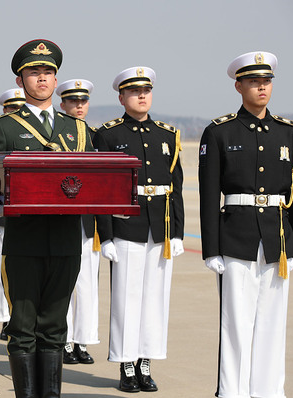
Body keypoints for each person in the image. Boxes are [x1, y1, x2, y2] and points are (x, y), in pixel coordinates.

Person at [0, 39, 94, 398]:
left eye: (48, 73)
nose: (42, 79)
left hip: (67, 239)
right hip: (23, 240)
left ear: (56, 81)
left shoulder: (79, 129)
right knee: (23, 326)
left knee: (55, 326)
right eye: (34, 73)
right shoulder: (5, 127)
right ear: (21, 79)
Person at [199, 51, 293, 398]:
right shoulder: (219, 132)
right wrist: (211, 249)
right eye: (254, 82)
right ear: (238, 85)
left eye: (267, 81)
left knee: (273, 326)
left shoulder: (290, 134)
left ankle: (270, 392)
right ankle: (232, 392)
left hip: (277, 241)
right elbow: (208, 195)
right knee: (236, 326)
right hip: (236, 239)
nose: (262, 87)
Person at [93, 67, 184, 392]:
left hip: (159, 229)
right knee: (126, 301)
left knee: (155, 300)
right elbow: (101, 190)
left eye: (146, 90)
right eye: (134, 91)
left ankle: (147, 360)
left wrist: (177, 233)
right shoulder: (108, 135)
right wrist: (105, 236)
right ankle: (126, 364)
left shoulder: (167, 135)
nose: (141, 95)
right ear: (121, 97)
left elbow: (176, 186)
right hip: (126, 227)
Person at [56, 79, 100, 366]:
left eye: (83, 101)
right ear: (63, 105)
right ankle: (64, 340)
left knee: (87, 285)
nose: (79, 106)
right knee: (64, 285)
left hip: (87, 221)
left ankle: (82, 340)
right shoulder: (54, 135)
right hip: (61, 218)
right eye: (73, 101)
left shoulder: (95, 136)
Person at [0, 88, 27, 342]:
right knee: (2, 272)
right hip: (4, 217)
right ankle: (4, 317)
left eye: (18, 108)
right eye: (10, 109)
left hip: (27, 214)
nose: (15, 112)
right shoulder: (3, 130)